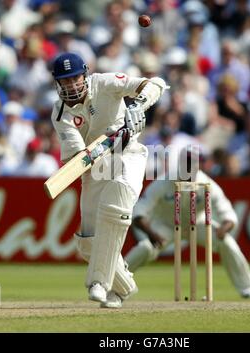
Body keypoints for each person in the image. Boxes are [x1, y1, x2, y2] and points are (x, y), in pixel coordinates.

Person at [50, 52, 167, 308]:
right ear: (57, 83)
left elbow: (155, 84)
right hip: (95, 167)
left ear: (85, 75)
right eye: (65, 81)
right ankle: (124, 287)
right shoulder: (60, 114)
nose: (71, 85)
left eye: (75, 78)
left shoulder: (105, 82)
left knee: (119, 198)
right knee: (88, 242)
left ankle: (98, 283)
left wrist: (137, 106)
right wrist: (106, 142)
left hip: (129, 155)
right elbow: (79, 159)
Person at [125, 146, 250, 300]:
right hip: (166, 225)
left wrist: (223, 229)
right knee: (145, 247)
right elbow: (139, 212)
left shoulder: (206, 183)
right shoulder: (165, 181)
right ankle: (117, 286)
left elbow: (228, 214)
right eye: (189, 162)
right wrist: (151, 234)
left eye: (196, 162)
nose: (192, 167)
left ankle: (248, 288)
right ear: (181, 162)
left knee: (228, 243)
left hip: (197, 223)